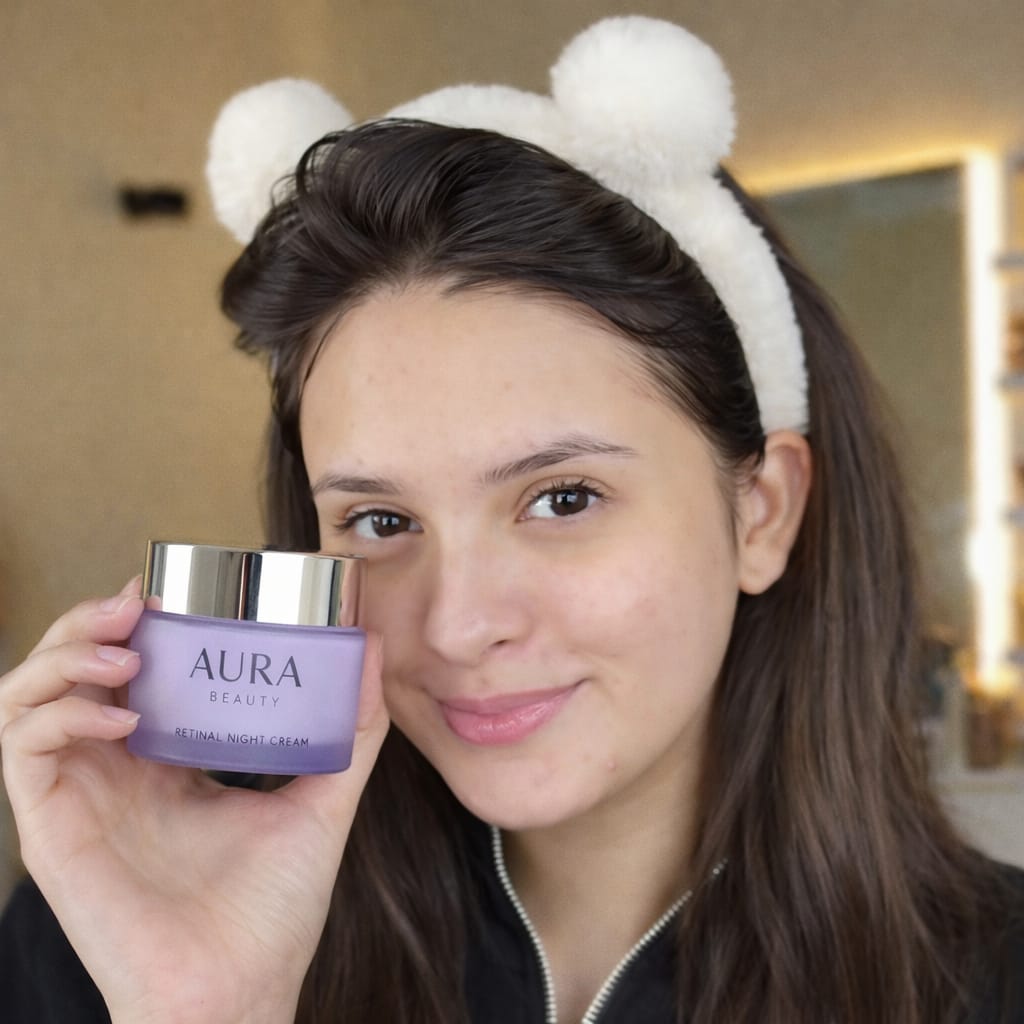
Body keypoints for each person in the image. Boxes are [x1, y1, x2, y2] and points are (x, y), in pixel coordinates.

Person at [1, 16, 1022, 1024]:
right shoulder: (123, 934)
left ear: (762, 512)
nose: (458, 625)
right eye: (381, 520)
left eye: (563, 499)